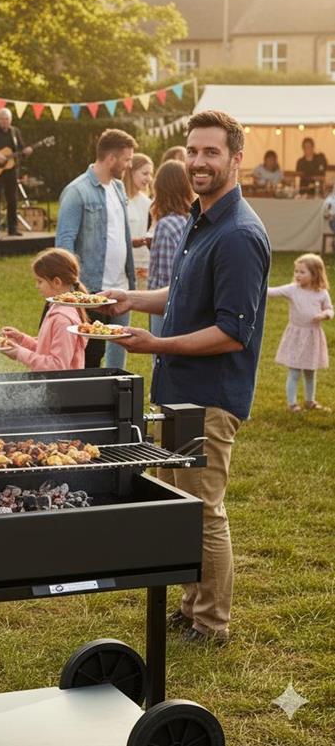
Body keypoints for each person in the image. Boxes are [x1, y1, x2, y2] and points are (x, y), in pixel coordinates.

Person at [103, 109, 271, 644]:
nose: (198, 162)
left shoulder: (240, 234)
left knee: (204, 512)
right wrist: (132, 299)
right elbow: (181, 298)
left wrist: (157, 344)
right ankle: (191, 606)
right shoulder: (203, 220)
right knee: (181, 508)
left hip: (210, 397)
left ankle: (213, 623)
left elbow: (231, 331)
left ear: (235, 160)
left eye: (211, 152)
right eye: (193, 151)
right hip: (177, 391)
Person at [55, 128, 137, 369]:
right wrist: (74, 290)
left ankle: (116, 394)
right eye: (127, 159)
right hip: (91, 289)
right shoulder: (77, 191)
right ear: (111, 158)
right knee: (90, 354)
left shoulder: (119, 188)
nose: (129, 165)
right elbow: (64, 243)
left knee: (120, 343)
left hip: (120, 285)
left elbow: (120, 233)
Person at [0, 248, 86, 371]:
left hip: (61, 389)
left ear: (56, 282)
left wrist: (20, 353)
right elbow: (46, 350)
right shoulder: (56, 308)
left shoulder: (63, 320)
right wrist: (22, 339)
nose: (37, 286)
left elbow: (57, 366)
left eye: (40, 281)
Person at [267, 253, 332, 412]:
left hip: (312, 337)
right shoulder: (292, 290)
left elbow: (330, 309)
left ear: (315, 274)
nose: (297, 275)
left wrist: (324, 315)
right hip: (296, 336)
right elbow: (271, 292)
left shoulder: (321, 293)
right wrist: (256, 283)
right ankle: (292, 404)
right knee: (295, 370)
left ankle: (310, 401)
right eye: (296, 271)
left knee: (310, 371)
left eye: (302, 272)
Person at [147, 161, 194, 338]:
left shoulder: (166, 226)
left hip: (165, 308)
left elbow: (167, 278)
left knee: (161, 360)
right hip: (188, 306)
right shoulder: (192, 219)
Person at [0, 107, 33, 237]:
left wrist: (26, 152)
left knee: (12, 199)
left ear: (11, 120)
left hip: (11, 170)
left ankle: (12, 228)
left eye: (7, 119)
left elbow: (20, 149)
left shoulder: (15, 132)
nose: (4, 121)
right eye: (2, 119)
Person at [122, 153, 153, 288]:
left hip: (145, 264)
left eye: (150, 174)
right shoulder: (121, 199)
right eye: (145, 173)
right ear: (131, 172)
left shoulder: (148, 203)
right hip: (124, 264)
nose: (149, 178)